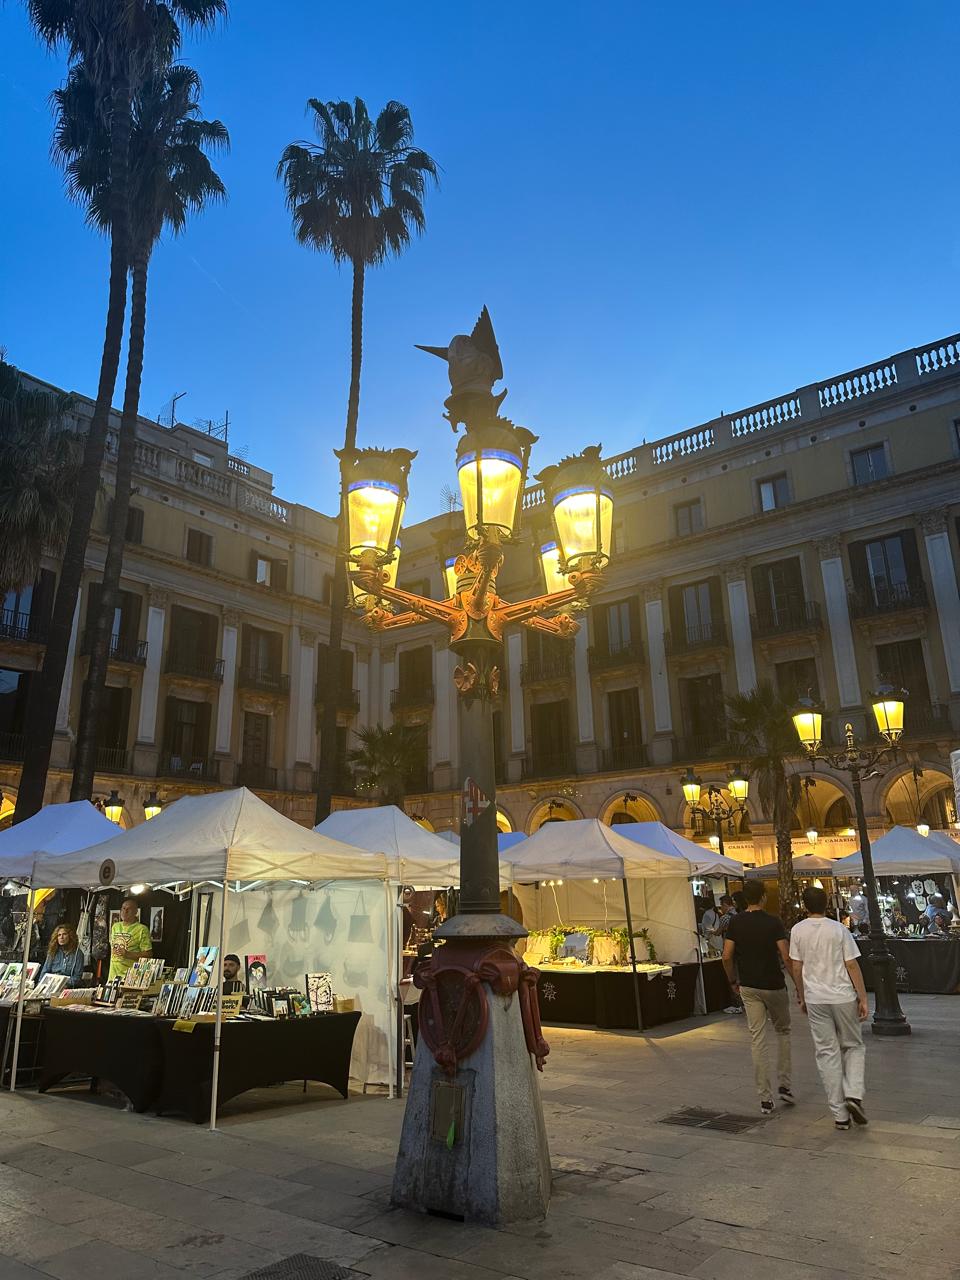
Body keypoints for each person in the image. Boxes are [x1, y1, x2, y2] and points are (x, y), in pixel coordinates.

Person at [788, 885, 869, 1131]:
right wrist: (862, 996)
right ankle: (853, 1094)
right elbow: (852, 965)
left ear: (804, 906)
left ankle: (840, 1114)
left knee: (826, 1053)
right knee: (853, 1045)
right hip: (842, 995)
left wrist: (801, 996)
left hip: (815, 998)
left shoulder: (797, 930)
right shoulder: (838, 929)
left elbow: (796, 967)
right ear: (827, 904)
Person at [723, 880, 793, 1114]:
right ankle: (784, 1083)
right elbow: (785, 955)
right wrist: (799, 986)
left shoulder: (735, 922)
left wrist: (733, 980)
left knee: (758, 1038)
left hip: (749, 986)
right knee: (783, 1031)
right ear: (763, 897)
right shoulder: (773, 922)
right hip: (773, 984)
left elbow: (726, 956)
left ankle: (765, 1097)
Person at [107, 897, 152, 982]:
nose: (125, 911)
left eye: (129, 909)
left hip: (130, 978)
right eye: (123, 908)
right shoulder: (115, 926)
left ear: (136, 912)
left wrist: (128, 954)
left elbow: (148, 954)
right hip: (112, 977)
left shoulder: (142, 929)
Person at [37, 923, 85, 988]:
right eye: (59, 935)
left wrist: (62, 982)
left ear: (70, 936)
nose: (61, 937)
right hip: (51, 985)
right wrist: (39, 987)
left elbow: (77, 978)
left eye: (64, 934)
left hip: (67, 986)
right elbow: (44, 972)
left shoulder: (78, 954)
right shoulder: (53, 951)